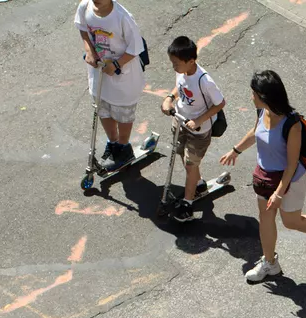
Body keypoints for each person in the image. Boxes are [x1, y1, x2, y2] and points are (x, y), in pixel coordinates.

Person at [220, 71, 306, 283]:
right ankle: (270, 263)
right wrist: (235, 150)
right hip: (264, 177)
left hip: (289, 180)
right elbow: (255, 131)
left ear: (265, 96)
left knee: (291, 222)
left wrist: (279, 193)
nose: (251, 97)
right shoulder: (261, 112)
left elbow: (292, 165)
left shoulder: (291, 124)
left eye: (254, 93)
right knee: (265, 218)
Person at [160, 37, 226, 222]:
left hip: (199, 131)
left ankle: (188, 203)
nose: (174, 67)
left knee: (190, 164)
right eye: (172, 63)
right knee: (182, 155)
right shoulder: (182, 72)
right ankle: (198, 184)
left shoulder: (204, 80)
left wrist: (198, 120)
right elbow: (179, 87)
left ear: (191, 61)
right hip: (180, 122)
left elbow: (220, 103)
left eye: (176, 63)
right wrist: (169, 98)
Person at [75, 0, 146, 171]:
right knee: (102, 109)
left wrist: (116, 65)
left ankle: (123, 147)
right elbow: (83, 29)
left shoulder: (123, 17)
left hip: (122, 76)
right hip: (99, 72)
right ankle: (113, 143)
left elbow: (136, 47)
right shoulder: (84, 7)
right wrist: (89, 51)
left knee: (122, 113)